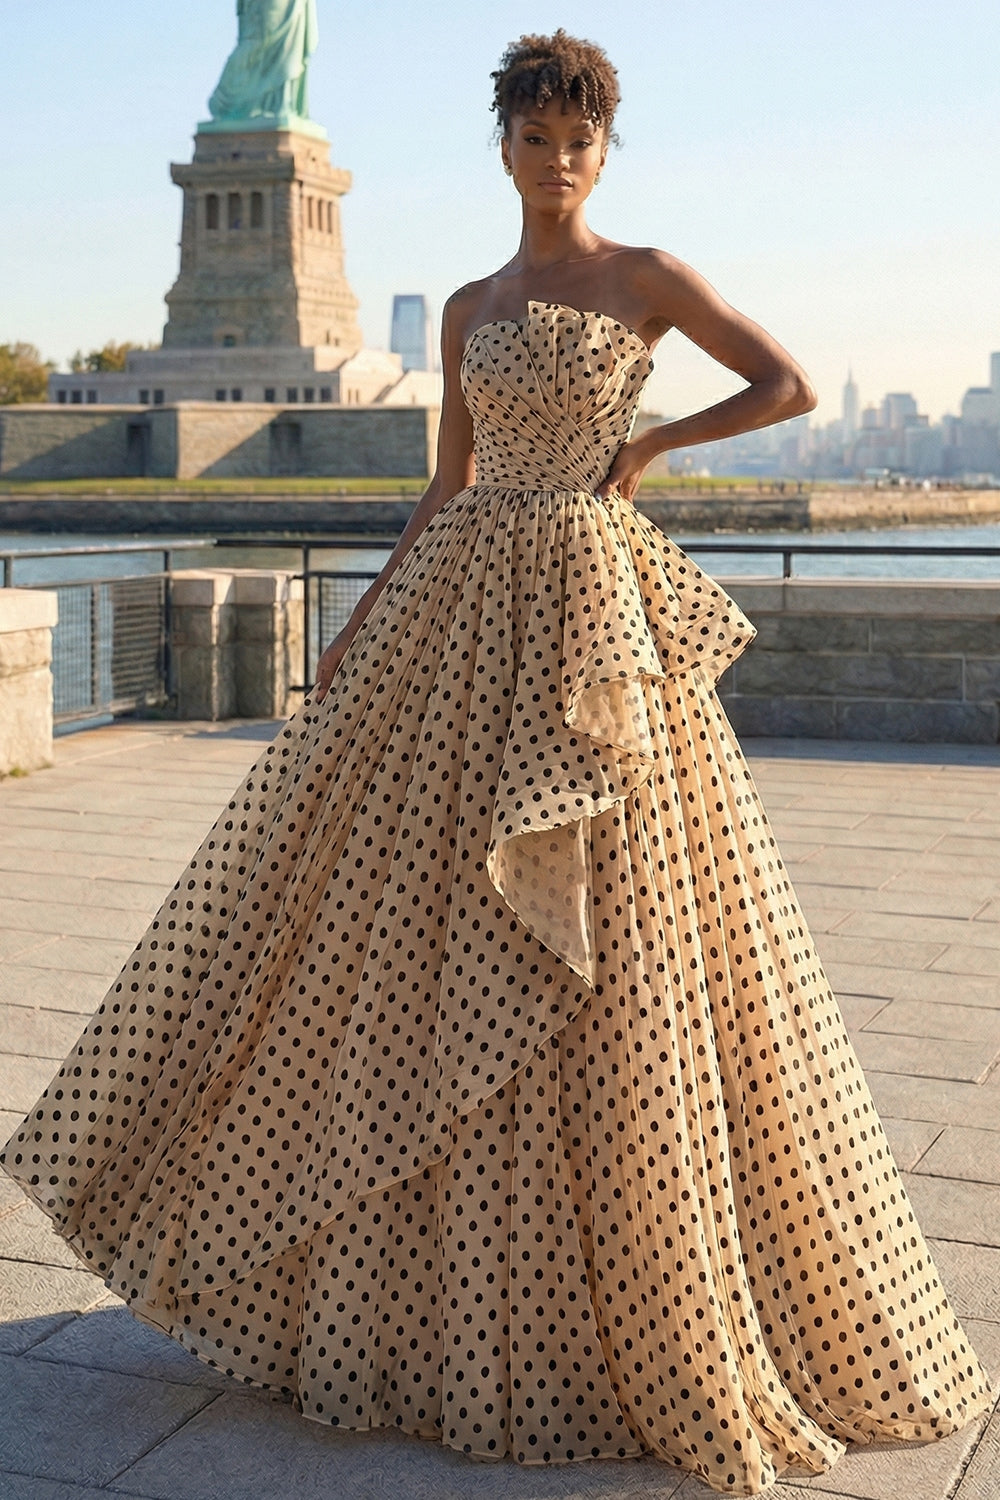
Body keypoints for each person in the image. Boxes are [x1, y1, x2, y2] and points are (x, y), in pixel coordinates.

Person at [2, 30, 990, 1498]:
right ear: (507, 148)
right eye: (533, 137)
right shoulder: (471, 304)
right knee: (403, 925)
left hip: (591, 617)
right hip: (456, 617)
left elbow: (781, 383)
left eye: (577, 138)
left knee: (635, 928)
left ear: (604, 149)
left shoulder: (645, 276)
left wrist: (648, 448)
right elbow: (445, 486)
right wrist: (357, 629)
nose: (556, 158)